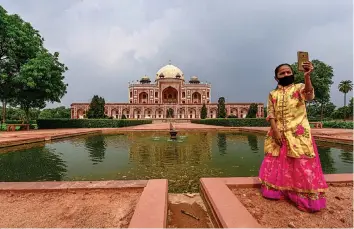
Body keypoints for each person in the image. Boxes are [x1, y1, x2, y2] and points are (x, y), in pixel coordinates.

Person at [259, 61, 328, 212]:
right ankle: (280, 191)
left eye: (288, 72)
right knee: (277, 162)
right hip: (278, 132)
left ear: (293, 74)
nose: (286, 75)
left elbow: (309, 96)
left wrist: (307, 76)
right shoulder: (273, 94)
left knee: (300, 164)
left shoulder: (300, 87)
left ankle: (302, 196)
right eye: (282, 73)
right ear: (276, 78)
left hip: (298, 132)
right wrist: (275, 130)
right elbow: (270, 113)